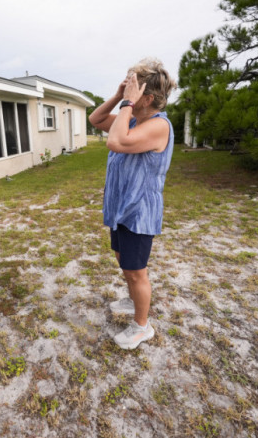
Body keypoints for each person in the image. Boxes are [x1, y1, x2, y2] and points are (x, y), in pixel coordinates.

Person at [89, 58, 176, 349]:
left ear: (147, 98)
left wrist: (126, 105)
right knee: (121, 257)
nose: (129, 93)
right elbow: (97, 121)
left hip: (139, 211)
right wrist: (117, 97)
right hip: (121, 206)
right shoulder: (134, 119)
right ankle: (133, 298)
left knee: (137, 270)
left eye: (133, 89)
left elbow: (116, 142)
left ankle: (142, 327)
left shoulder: (158, 126)